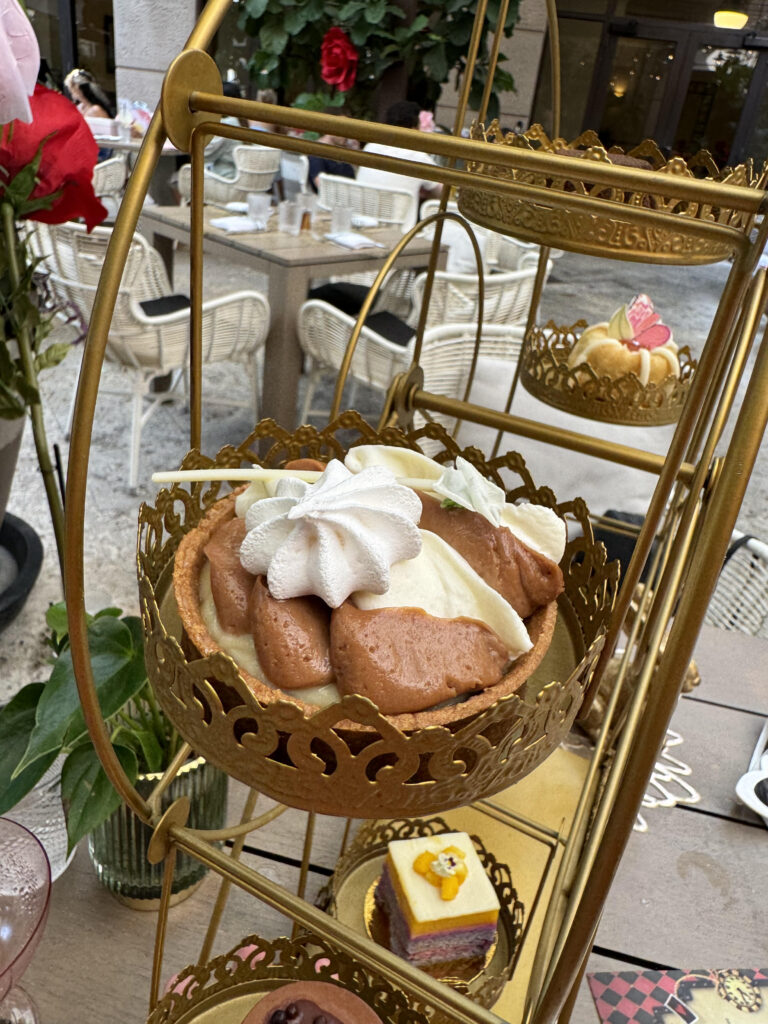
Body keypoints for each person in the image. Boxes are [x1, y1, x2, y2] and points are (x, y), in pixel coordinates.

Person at [356, 100, 441, 230]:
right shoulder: (418, 157)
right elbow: (443, 193)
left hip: (361, 225)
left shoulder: (370, 147)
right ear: (414, 128)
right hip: (399, 234)